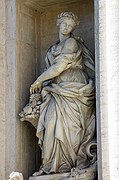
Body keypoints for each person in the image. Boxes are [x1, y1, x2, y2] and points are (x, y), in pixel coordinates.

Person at [30, 12, 95, 176]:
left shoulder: (72, 42)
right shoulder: (52, 48)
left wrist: (38, 81)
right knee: (51, 124)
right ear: (58, 23)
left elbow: (59, 67)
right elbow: (52, 71)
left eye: (70, 26)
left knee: (71, 131)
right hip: (57, 91)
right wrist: (43, 86)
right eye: (64, 23)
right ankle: (51, 166)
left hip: (74, 90)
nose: (67, 27)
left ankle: (69, 166)